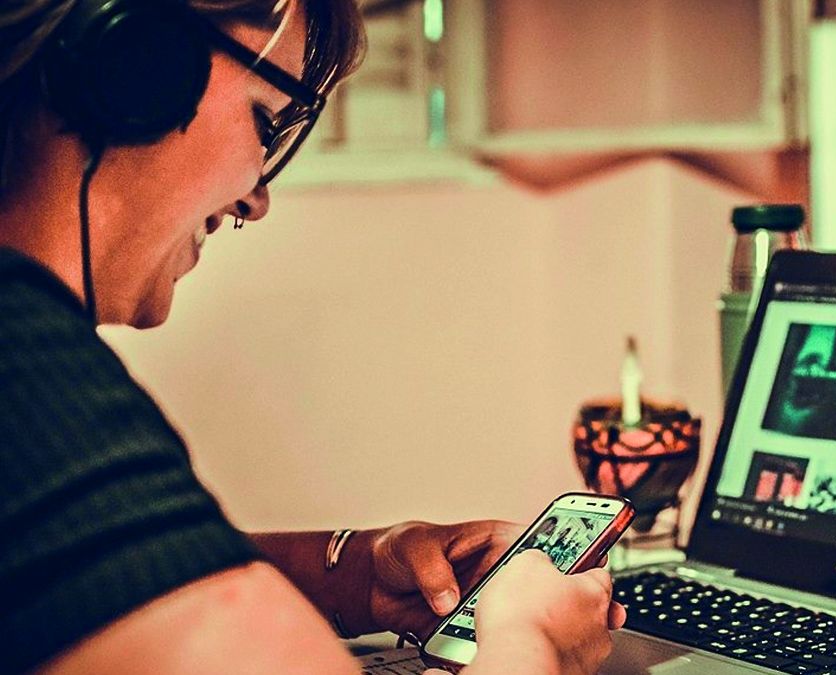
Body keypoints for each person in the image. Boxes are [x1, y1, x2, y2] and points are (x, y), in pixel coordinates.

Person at [0, 1, 622, 673]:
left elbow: (69, 583)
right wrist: (532, 640)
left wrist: (354, 576)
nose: (257, 199)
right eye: (265, 121)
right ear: (129, 68)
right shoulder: (22, 361)